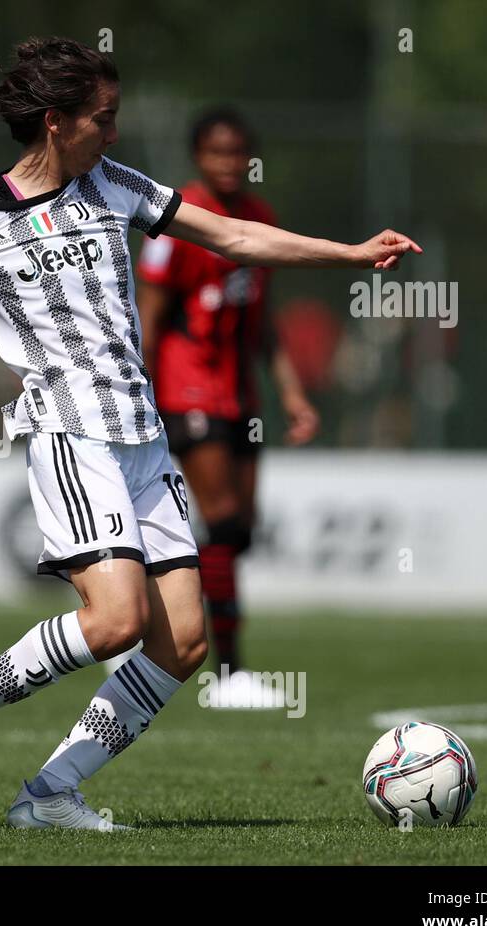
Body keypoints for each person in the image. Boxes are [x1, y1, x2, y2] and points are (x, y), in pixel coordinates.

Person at [0, 36, 419, 829]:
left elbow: (232, 237)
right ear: (54, 122)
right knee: (115, 622)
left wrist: (348, 254)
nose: (113, 135)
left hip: (143, 440)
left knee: (182, 642)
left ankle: (49, 795)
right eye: (101, 120)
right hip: (72, 437)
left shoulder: (111, 184)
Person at [135, 106, 320, 708]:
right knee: (220, 518)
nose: (229, 163)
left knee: (237, 530)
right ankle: (229, 673)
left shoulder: (259, 218)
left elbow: (261, 322)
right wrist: (136, 388)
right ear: (198, 157)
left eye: (238, 152)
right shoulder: (180, 218)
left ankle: (149, 603)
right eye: (217, 152)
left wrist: (290, 391)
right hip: (187, 390)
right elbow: (152, 314)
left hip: (242, 394)